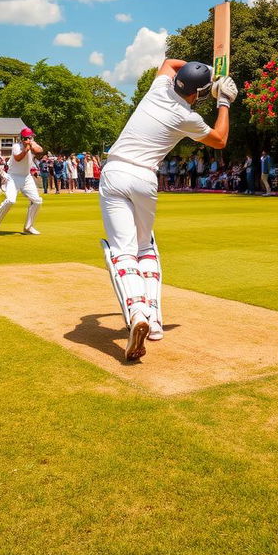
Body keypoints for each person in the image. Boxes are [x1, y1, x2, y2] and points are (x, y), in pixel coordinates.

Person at [99, 59, 237, 361]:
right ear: (198, 94)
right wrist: (223, 100)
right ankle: (156, 321)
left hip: (115, 171)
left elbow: (169, 62)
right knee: (145, 247)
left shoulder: (158, 88)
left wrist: (208, 74)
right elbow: (220, 139)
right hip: (144, 177)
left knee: (122, 250)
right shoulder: (186, 117)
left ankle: (137, 313)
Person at [0, 127, 43, 236]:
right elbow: (18, 158)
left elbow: (39, 151)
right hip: (13, 177)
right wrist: (26, 148)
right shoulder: (16, 146)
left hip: (27, 177)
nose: (31, 138)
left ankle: (28, 227)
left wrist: (31, 145)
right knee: (10, 201)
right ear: (24, 138)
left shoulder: (32, 144)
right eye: (30, 137)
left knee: (37, 201)